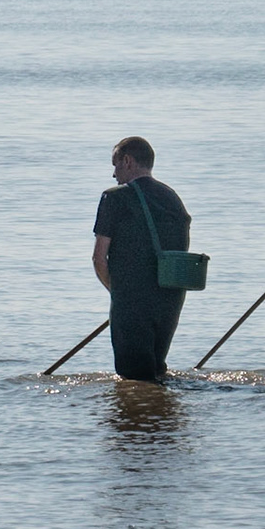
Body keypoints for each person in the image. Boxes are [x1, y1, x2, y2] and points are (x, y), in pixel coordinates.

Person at [92, 136, 192, 382]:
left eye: (115, 165)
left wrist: (118, 294)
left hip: (132, 299)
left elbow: (98, 258)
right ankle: (158, 418)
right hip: (170, 298)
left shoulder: (114, 197)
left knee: (133, 379)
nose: (114, 174)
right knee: (156, 374)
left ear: (127, 161)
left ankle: (140, 419)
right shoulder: (173, 198)